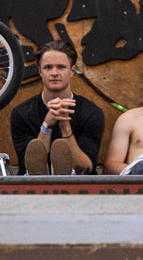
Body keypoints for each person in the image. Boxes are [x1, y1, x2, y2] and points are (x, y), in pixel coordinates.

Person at [9, 39, 104, 176]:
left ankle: (63, 175)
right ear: (40, 72)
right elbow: (27, 165)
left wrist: (65, 126)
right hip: (34, 184)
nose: (54, 72)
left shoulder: (91, 112)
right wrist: (47, 125)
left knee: (78, 170)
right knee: (34, 166)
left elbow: (86, 167)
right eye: (48, 67)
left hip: (79, 184)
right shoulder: (22, 113)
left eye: (61, 67)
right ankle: (47, 178)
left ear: (72, 71)